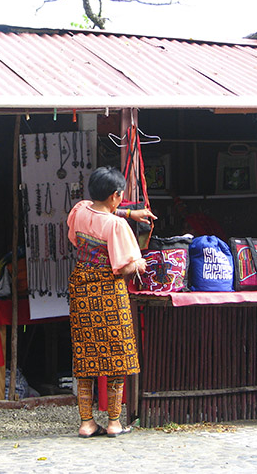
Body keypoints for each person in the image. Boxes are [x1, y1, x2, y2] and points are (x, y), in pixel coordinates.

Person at [67, 166, 157, 438]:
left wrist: (130, 212)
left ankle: (86, 423)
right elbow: (125, 267)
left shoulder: (79, 210)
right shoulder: (117, 226)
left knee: (86, 356)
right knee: (116, 357)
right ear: (116, 196)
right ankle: (115, 422)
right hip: (109, 292)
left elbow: (92, 219)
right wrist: (140, 262)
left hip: (81, 289)